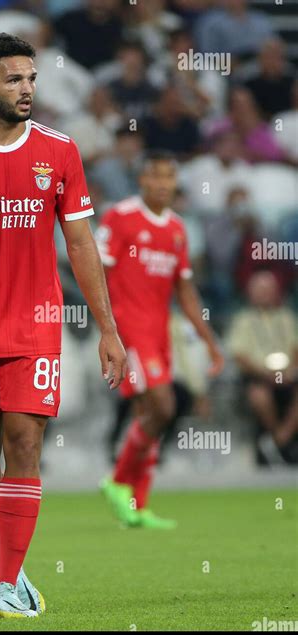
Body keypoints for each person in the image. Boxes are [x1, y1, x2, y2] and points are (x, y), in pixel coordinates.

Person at [0, 33, 126, 619]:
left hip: (37, 326)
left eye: (32, 78)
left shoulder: (60, 151)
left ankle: (6, 586)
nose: (27, 89)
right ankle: (6, 568)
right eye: (14, 80)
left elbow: (81, 243)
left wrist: (108, 330)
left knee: (24, 446)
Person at [96, 150, 224, 528]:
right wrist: (107, 329)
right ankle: (117, 481)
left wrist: (210, 341)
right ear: (142, 179)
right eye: (156, 176)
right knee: (163, 407)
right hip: (129, 332)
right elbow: (96, 271)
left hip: (159, 333)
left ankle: (137, 506)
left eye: (170, 176)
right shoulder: (120, 218)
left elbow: (185, 292)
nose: (163, 184)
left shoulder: (177, 229)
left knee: (148, 415)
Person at [227, 271, 298, 465]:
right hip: (256, 377)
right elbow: (240, 356)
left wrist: (288, 372)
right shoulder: (243, 320)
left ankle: (278, 441)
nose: (264, 294)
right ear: (250, 293)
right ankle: (280, 442)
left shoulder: (286, 318)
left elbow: (295, 350)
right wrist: (268, 374)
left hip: (288, 377)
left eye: (268, 290)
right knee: (260, 396)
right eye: (260, 290)